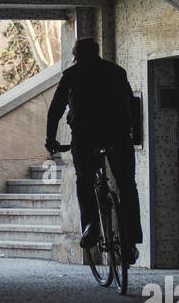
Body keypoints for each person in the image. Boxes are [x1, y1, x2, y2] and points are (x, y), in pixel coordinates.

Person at [45, 37, 143, 263]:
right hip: (118, 135)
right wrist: (130, 133)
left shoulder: (72, 74)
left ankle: (91, 226)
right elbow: (132, 104)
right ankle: (132, 237)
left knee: (85, 180)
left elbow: (56, 108)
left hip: (85, 136)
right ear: (97, 52)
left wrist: (51, 138)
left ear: (77, 55)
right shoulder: (117, 71)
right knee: (127, 184)